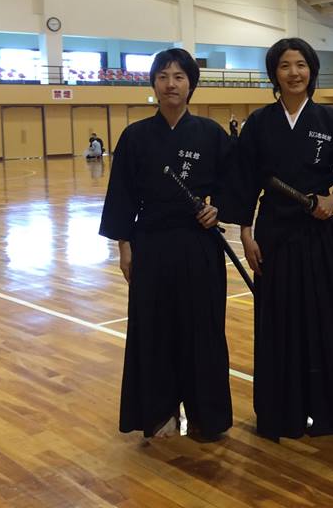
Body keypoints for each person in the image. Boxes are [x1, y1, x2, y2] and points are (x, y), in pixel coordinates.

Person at [99, 48, 237, 441]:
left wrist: (217, 208)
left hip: (199, 242)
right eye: (163, 76)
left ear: (191, 84)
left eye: (178, 76)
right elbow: (122, 194)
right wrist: (125, 247)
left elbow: (233, 183)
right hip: (152, 243)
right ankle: (160, 413)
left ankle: (206, 415)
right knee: (154, 328)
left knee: (203, 328)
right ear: (153, 84)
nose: (170, 84)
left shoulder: (211, 133)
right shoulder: (135, 136)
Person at [237, 38, 333, 440]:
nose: (294, 73)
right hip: (274, 234)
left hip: (320, 235)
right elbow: (244, 182)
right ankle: (280, 414)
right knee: (278, 323)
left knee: (325, 320)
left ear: (312, 70)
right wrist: (246, 233)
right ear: (274, 73)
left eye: (301, 64)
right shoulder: (259, 123)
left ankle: (329, 414)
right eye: (285, 65)